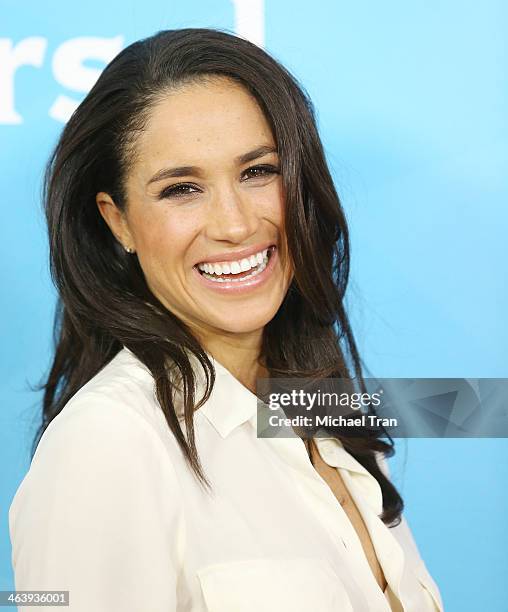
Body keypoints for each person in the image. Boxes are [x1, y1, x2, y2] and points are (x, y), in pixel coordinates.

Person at [8, 28, 443, 612]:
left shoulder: (324, 411)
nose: (236, 224)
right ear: (118, 223)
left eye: (258, 172)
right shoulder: (106, 444)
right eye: (182, 189)